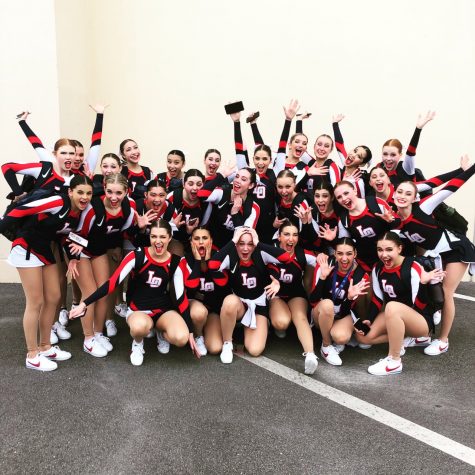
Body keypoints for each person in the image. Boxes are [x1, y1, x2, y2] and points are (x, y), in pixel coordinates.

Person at [69, 219, 200, 365]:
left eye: (162, 237)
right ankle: (137, 344)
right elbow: (112, 283)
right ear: (149, 237)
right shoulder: (137, 255)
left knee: (181, 338)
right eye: (154, 236)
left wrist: (190, 332)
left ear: (169, 238)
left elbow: (181, 297)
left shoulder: (176, 262)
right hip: (139, 310)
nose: (158, 241)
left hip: (163, 310)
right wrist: (84, 303)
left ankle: (161, 332)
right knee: (139, 328)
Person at [0, 175, 94, 371]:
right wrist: (8, 230)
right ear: (70, 191)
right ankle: (32, 354)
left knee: (54, 296)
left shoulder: (79, 212)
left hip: (45, 250)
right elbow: (22, 209)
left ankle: (45, 347)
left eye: (88, 193)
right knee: (36, 301)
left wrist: (74, 255)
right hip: (26, 248)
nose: (84, 197)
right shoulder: (58, 201)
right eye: (80, 192)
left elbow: (65, 236)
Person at [394, 160, 475, 355]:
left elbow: (451, 187)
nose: (403, 196)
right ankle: (423, 334)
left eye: (408, 193)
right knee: (426, 289)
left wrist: (470, 168)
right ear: (394, 194)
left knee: (446, 293)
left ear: (415, 198)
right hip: (436, 255)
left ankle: (443, 340)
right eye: (400, 192)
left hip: (456, 249)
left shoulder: (423, 207)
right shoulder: (396, 219)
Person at [356, 232, 444, 375]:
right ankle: (403, 338)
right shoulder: (378, 268)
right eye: (380, 250)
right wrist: (369, 319)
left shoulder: (412, 267)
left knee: (392, 306)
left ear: (399, 249)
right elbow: (378, 299)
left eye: (389, 249)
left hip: (420, 320)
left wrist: (423, 283)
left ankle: (394, 361)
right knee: (362, 337)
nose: (384, 255)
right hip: (395, 315)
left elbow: (421, 305)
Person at [72, 173, 136, 353]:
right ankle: (88, 339)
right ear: (104, 189)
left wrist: (141, 226)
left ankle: (98, 333)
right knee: (90, 293)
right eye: (109, 192)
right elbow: (74, 234)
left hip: (99, 251)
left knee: (103, 291)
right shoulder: (93, 208)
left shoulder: (128, 208)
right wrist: (72, 258)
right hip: (81, 252)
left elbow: (122, 232)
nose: (114, 197)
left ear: (126, 192)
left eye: (118, 193)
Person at [208, 227, 291, 364]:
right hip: (239, 305)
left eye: (250, 244)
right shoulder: (232, 254)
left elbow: (285, 257)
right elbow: (213, 265)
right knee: (229, 302)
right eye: (241, 243)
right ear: (236, 245)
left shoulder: (260, 253)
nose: (245, 248)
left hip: (258, 305)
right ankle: (227, 343)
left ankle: (261, 325)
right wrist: (232, 241)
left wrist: (258, 243)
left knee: (254, 350)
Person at [267, 221, 319, 374]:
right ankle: (274, 321)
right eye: (287, 234)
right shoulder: (270, 251)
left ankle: (310, 355)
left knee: (300, 316)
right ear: (279, 236)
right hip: (276, 294)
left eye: (295, 235)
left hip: (295, 293)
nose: (291, 239)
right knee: (282, 323)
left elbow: (326, 264)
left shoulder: (304, 254)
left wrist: (324, 258)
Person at [309, 238, 370, 365]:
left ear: (355, 254)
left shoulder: (360, 275)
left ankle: (338, 336)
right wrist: (323, 277)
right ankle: (326, 346)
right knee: (327, 305)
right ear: (334, 254)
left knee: (341, 337)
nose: (344, 258)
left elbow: (345, 312)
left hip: (343, 314)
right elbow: (313, 300)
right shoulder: (325, 264)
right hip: (321, 312)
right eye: (340, 253)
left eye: (349, 253)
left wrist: (349, 298)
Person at [183, 227, 230, 356]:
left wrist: (210, 262)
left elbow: (222, 285)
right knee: (199, 313)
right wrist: (198, 261)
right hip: (195, 307)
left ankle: (204, 330)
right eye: (197, 239)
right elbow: (191, 287)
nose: (201, 242)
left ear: (211, 241)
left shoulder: (219, 257)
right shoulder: (186, 259)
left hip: (213, 309)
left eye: (205, 238)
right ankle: (198, 335)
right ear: (192, 242)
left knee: (215, 348)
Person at [198, 167, 260, 249]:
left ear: (251, 185)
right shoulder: (222, 193)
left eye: (243, 179)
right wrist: (222, 175)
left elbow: (244, 238)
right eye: (237, 176)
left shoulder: (253, 208)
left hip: (232, 250)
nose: (237, 180)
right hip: (210, 244)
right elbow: (201, 194)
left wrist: (235, 213)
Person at [377, 111, 435, 186]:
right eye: (385, 154)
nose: (388, 158)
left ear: (400, 155)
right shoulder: (379, 168)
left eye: (393, 155)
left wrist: (418, 129)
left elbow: (410, 153)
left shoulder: (406, 168)